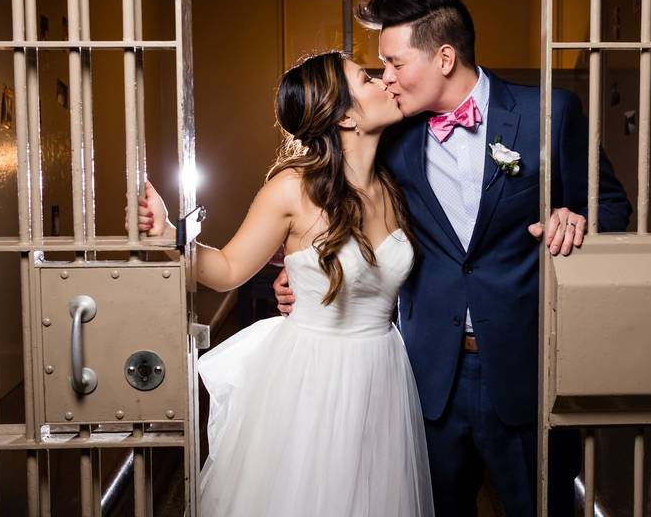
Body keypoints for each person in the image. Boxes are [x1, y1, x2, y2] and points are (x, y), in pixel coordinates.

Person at [275, 0, 631, 516]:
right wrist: (303, 276)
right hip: (426, 377)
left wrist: (576, 219)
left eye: (395, 62)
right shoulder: (389, 134)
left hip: (529, 369)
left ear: (444, 56)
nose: (386, 78)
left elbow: (613, 206)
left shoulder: (551, 114)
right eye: (381, 68)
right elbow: (337, 204)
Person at [138, 51, 435, 516]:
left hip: (383, 370)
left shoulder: (393, 187)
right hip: (314, 377)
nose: (384, 82)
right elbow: (230, 269)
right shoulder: (293, 189)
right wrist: (170, 239)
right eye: (367, 77)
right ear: (344, 116)